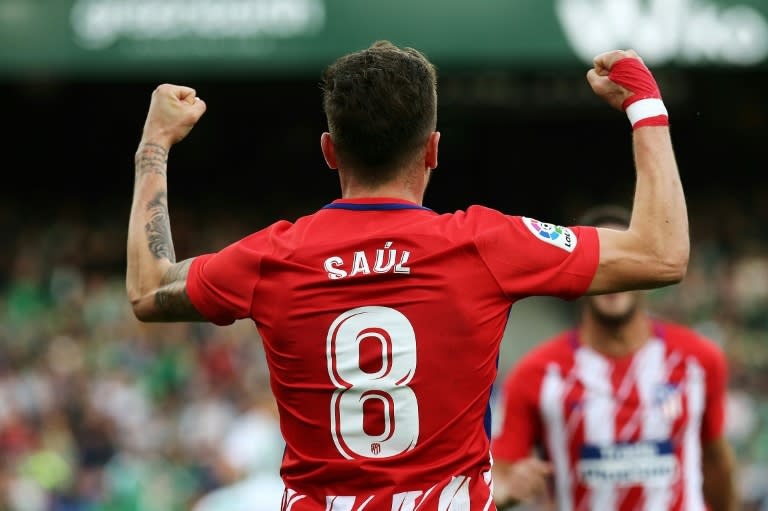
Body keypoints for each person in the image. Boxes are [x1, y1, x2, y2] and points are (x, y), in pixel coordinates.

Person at [126, 41, 689, 510]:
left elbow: (149, 290)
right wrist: (645, 106)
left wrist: (154, 145)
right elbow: (662, 254)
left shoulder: (271, 258)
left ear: (329, 151)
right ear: (433, 151)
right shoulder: (484, 244)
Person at [490, 206, 737, 511]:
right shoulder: (535, 375)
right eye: (601, 262)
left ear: (647, 268)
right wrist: (505, 492)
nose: (615, 273)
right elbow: (499, 477)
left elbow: (715, 462)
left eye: (626, 260)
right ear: (578, 273)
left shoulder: (698, 359)